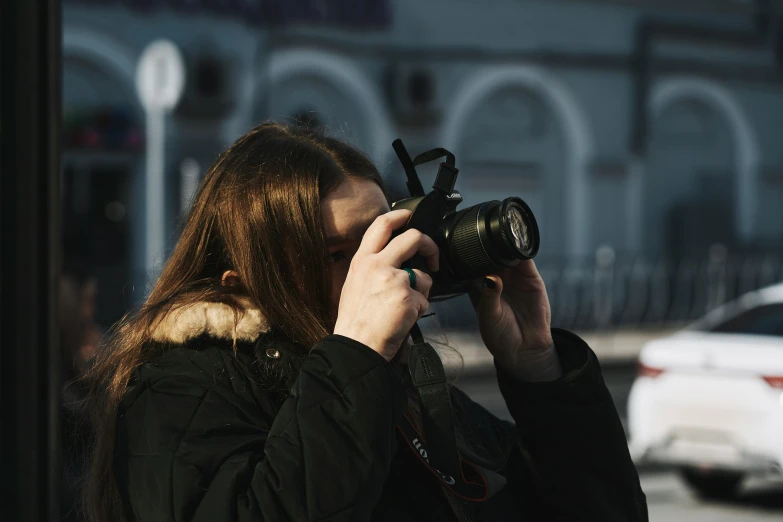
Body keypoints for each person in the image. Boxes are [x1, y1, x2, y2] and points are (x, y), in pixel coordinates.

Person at [83, 122, 648, 522]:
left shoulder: (401, 386)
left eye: (383, 239)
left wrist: (539, 370)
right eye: (337, 255)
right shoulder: (179, 389)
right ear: (246, 278)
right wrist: (354, 351)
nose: (377, 270)